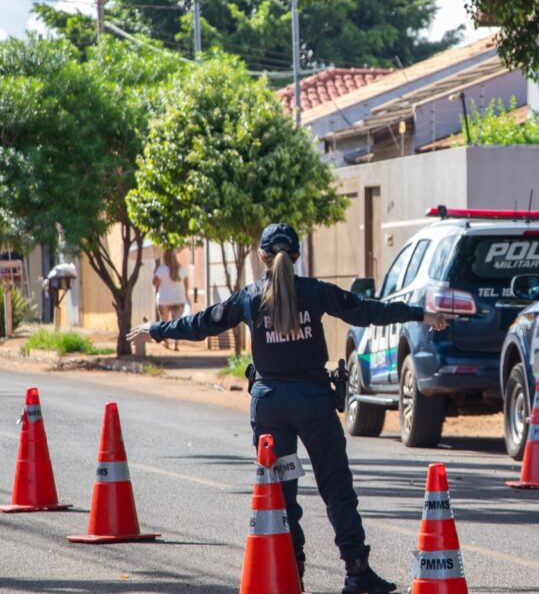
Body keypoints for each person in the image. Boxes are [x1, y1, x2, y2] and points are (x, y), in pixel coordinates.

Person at [128, 224, 449, 594]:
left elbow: (203, 323)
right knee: (336, 488)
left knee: (282, 494)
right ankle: (357, 570)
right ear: (296, 257)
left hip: (269, 406)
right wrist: (421, 314)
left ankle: (290, 573)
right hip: (313, 404)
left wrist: (157, 329)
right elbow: (365, 312)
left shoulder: (249, 297)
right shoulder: (315, 292)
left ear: (262, 257)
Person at [152, 248, 190, 351]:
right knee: (176, 322)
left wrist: (156, 273)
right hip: (179, 299)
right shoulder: (182, 269)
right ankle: (176, 345)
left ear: (165, 257)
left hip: (164, 299)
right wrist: (186, 295)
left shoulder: (161, 269)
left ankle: (166, 342)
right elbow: (186, 284)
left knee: (164, 322)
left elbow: (155, 282)